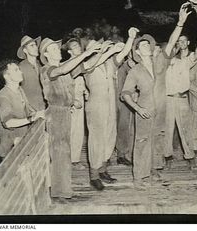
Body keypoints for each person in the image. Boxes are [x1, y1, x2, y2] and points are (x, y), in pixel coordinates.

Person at [39, 37, 102, 200]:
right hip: (56, 113)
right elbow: (60, 72)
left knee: (64, 153)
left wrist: (103, 52)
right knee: (60, 153)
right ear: (45, 54)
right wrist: (86, 52)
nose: (57, 50)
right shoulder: (47, 69)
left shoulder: (63, 67)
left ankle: (63, 190)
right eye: (52, 49)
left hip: (65, 112)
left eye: (57, 48)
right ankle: (60, 192)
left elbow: (86, 66)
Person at [83, 27, 139, 191]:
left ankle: (103, 169)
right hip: (96, 106)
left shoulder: (109, 62)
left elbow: (122, 54)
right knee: (96, 140)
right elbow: (95, 62)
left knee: (109, 136)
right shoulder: (87, 64)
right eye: (95, 48)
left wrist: (130, 38)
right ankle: (94, 176)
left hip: (110, 104)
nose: (99, 50)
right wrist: (108, 51)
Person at [122, 34, 171, 189]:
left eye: (148, 44)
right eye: (142, 45)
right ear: (137, 52)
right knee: (142, 143)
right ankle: (138, 178)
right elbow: (125, 93)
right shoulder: (135, 70)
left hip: (161, 110)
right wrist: (138, 108)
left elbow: (170, 44)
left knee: (157, 140)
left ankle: (152, 170)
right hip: (145, 110)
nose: (147, 46)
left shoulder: (159, 63)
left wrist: (180, 23)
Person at [163, 3, 197, 169]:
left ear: (188, 43)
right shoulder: (169, 59)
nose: (180, 43)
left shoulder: (188, 61)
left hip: (182, 99)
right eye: (178, 41)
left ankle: (190, 157)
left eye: (183, 40)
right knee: (167, 129)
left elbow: (196, 55)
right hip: (167, 100)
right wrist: (179, 23)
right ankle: (167, 157)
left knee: (185, 129)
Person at [0, 59, 45, 158]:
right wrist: (31, 119)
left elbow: (29, 110)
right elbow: (8, 123)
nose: (21, 72)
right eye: (16, 70)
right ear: (6, 76)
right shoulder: (3, 96)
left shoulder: (19, 90)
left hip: (23, 140)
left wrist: (40, 113)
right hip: (12, 147)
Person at [63, 38, 90, 170]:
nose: (78, 47)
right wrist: (73, 100)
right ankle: (71, 161)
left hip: (80, 99)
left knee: (79, 130)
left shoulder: (81, 63)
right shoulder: (67, 65)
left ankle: (75, 158)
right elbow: (65, 86)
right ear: (69, 51)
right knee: (72, 130)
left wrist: (85, 91)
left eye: (78, 45)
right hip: (72, 102)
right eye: (74, 46)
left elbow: (80, 80)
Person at [115, 54, 137, 166]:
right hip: (117, 101)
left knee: (126, 127)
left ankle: (124, 153)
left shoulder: (131, 67)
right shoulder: (119, 68)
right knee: (118, 126)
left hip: (128, 102)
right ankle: (114, 155)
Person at [17, 35, 46, 111]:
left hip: (44, 109)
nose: (36, 47)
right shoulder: (20, 68)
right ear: (25, 50)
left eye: (36, 45)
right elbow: (17, 91)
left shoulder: (41, 65)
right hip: (31, 112)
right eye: (32, 45)